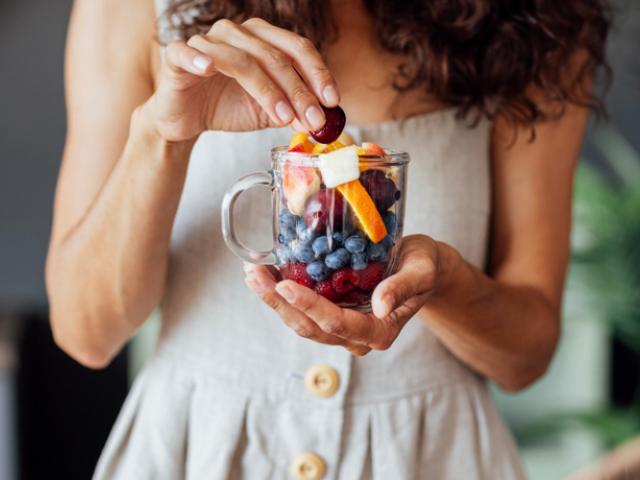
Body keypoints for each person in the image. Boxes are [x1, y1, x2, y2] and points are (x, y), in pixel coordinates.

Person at [46, 0, 610, 478]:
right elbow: (87, 331)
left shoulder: (541, 22)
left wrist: (447, 282)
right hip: (199, 450)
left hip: (431, 455)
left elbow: (526, 355)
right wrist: (163, 135)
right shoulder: (129, 11)